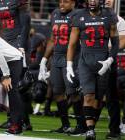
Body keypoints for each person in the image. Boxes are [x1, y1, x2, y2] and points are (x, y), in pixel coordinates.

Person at [66, 0, 119, 139]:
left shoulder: (109, 15)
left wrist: (110, 60)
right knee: (88, 95)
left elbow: (115, 43)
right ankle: (90, 130)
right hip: (85, 62)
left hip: (103, 62)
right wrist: (69, 64)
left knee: (99, 99)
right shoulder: (79, 16)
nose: (92, 1)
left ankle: (92, 126)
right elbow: (72, 43)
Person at [39, 0, 86, 135]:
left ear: (73, 3)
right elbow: (53, 39)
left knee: (72, 92)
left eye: (66, 1)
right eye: (60, 1)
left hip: (72, 58)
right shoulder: (55, 14)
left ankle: (81, 126)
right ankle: (65, 125)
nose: (62, 4)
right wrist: (44, 59)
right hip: (57, 57)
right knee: (57, 91)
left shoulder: (78, 14)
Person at [0, 0, 31, 130]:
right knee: (7, 83)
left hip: (17, 43)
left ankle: (23, 121)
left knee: (20, 84)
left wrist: (21, 45)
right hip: (5, 42)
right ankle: (13, 119)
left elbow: (26, 23)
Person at [104, 0, 125, 139]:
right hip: (91, 59)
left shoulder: (119, 20)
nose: (107, 0)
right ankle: (85, 127)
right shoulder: (90, 17)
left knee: (110, 96)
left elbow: (123, 41)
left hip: (109, 61)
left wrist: (108, 51)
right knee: (89, 94)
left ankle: (114, 130)